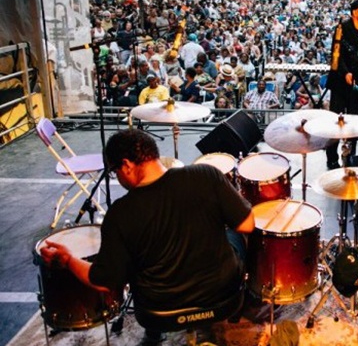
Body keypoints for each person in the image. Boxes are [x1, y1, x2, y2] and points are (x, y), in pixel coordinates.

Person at [38, 129, 255, 344]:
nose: (118, 178)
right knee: (234, 234)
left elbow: (104, 282)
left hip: (159, 311)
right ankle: (252, 299)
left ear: (127, 165)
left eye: (115, 171)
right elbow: (247, 225)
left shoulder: (120, 214)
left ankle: (153, 335)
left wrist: (67, 260)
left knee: (134, 260)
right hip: (223, 299)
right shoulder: (206, 175)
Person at [325, 0, 358, 169]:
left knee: (354, 122)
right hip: (340, 84)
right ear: (354, 12)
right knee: (336, 122)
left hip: (357, 86)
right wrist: (345, 73)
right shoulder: (342, 28)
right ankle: (331, 158)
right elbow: (336, 55)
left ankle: (350, 156)